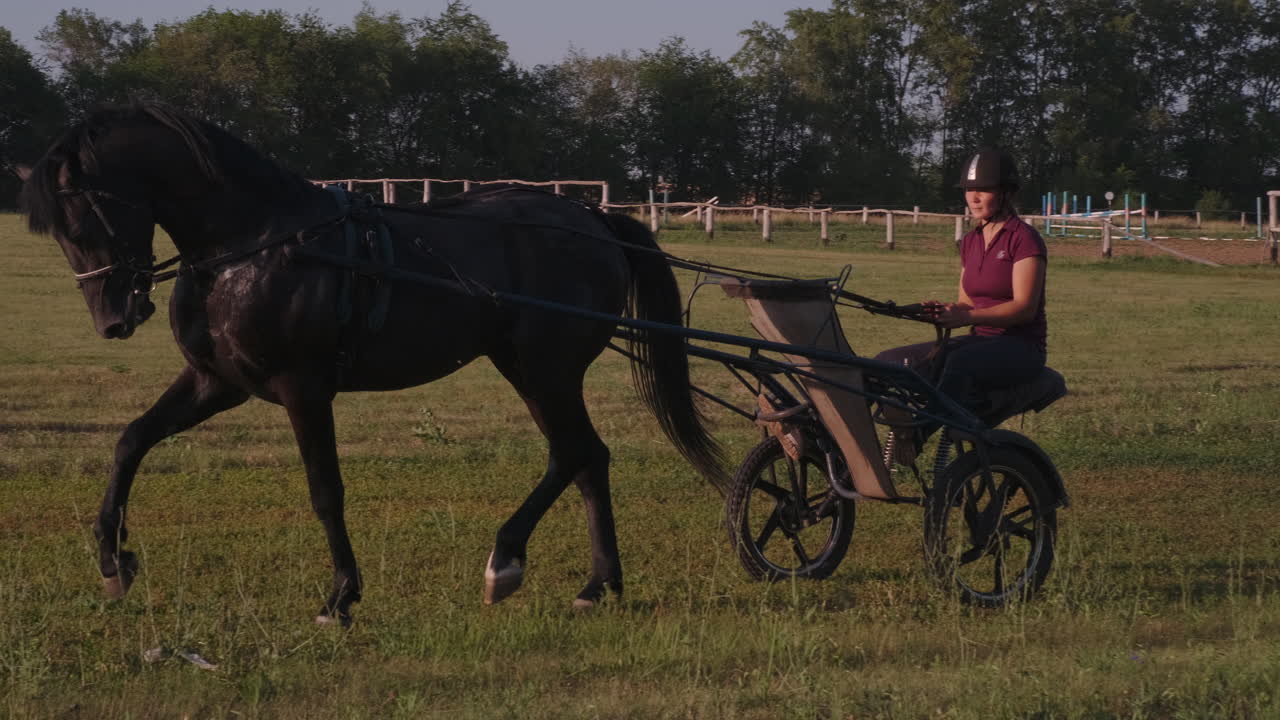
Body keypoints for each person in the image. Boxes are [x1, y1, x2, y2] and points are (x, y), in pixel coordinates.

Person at [876, 146, 1048, 435]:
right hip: (981, 342)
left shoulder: (1024, 239)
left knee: (958, 362)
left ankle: (917, 434)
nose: (974, 197)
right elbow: (967, 303)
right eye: (969, 190)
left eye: (984, 189)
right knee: (887, 362)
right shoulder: (970, 241)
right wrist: (947, 311)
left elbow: (1024, 308)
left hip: (1022, 349)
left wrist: (968, 318)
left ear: (1006, 192)